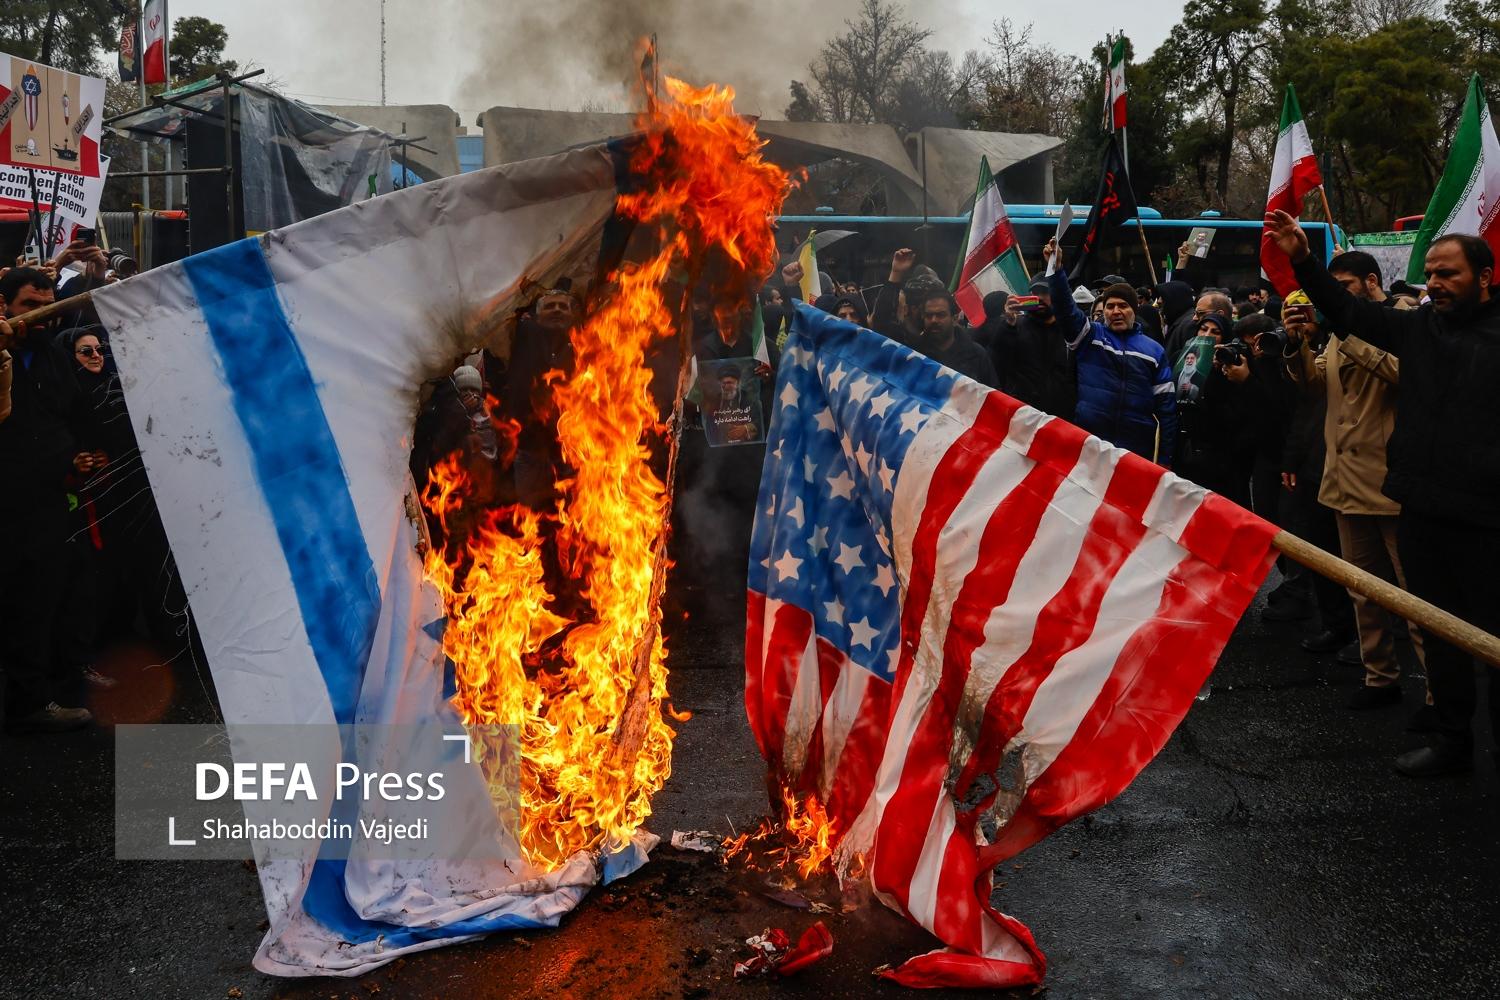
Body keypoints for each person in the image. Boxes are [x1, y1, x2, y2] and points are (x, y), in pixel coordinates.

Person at [1266, 210, 1500, 776]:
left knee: (1490, 640)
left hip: (1488, 519)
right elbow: (1348, 311)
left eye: (1449, 274)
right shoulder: (1419, 329)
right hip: (1419, 508)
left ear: (1485, 276)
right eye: (1432, 274)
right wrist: (1303, 260)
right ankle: (1451, 741)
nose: (1436, 283)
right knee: (1438, 632)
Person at [1282, 250, 1429, 712]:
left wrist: (1349, 335)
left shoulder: (1404, 320)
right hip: (1344, 480)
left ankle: (1438, 697)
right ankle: (1379, 677)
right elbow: (1316, 386)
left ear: (1370, 281)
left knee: (1415, 600)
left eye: (1343, 286)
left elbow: (1407, 375)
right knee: (1362, 590)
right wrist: (1298, 344)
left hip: (1389, 482)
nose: (1334, 295)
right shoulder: (1337, 331)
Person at [0, 272, 93, 731]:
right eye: (29, 305)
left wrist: (81, 456)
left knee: (39, 600)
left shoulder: (54, 354)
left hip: (48, 502)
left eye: (47, 304)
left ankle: (30, 702)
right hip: (6, 502)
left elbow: (71, 414)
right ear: (5, 307)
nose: (42, 315)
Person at [1046, 238, 1177, 465]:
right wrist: (1056, 272)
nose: (1116, 311)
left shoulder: (1154, 351)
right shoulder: (1090, 337)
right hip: (1092, 446)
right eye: (1110, 306)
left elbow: (1166, 409)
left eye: (1123, 306)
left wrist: (1164, 461)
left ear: (1134, 310)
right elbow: (1066, 311)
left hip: (1136, 452)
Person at [990, 279, 1075, 418]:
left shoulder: (1069, 330)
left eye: (1045, 293)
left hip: (1061, 416)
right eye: (1035, 293)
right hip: (1026, 414)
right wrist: (1008, 325)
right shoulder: (1016, 327)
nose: (1039, 298)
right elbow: (998, 362)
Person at [910, 291, 997, 387]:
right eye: (929, 315)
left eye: (941, 315)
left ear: (954, 319)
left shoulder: (976, 354)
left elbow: (992, 392)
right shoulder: (913, 353)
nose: (934, 320)